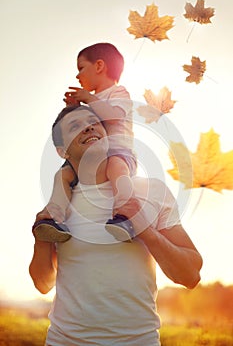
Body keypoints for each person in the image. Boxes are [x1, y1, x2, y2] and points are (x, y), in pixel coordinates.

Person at [29, 105, 203, 346]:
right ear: (62, 152)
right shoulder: (59, 206)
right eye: (75, 126)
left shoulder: (150, 191)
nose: (88, 126)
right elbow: (43, 283)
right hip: (64, 341)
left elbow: (191, 275)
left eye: (93, 121)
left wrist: (146, 231)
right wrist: (40, 240)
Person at [32, 42, 137, 243]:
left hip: (118, 152)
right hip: (91, 155)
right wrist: (74, 109)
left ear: (99, 66)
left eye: (81, 68)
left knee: (116, 168)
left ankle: (124, 212)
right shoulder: (93, 100)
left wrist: (88, 98)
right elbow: (83, 125)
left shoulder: (118, 92)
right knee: (63, 174)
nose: (78, 76)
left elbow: (114, 117)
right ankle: (55, 215)